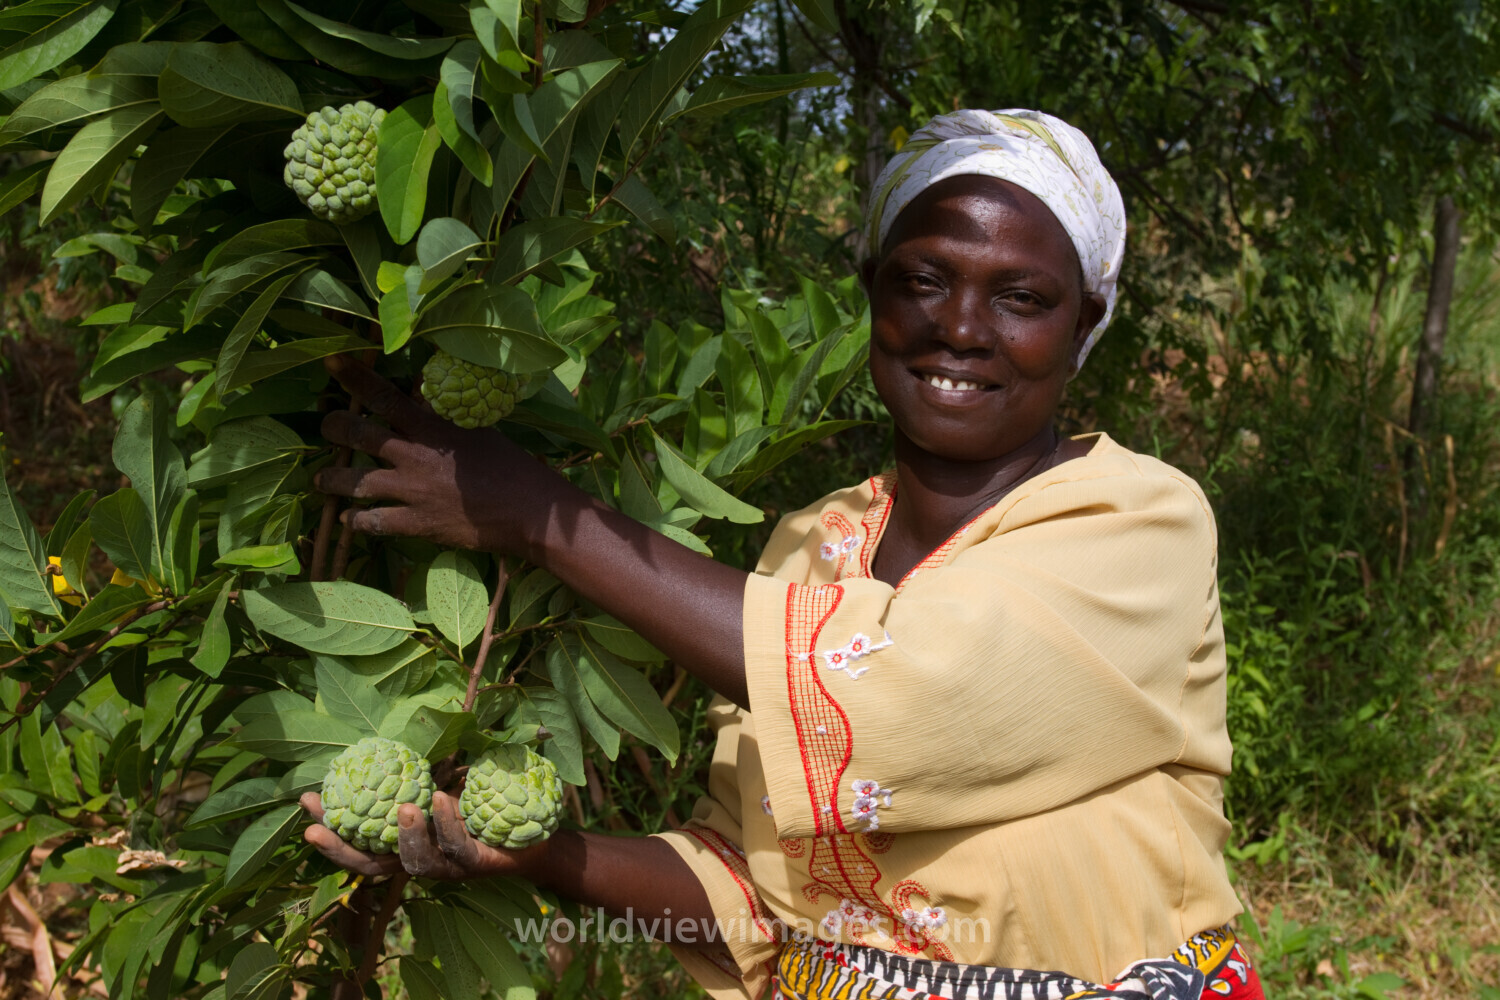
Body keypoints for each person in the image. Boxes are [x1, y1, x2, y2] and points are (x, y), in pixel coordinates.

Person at [302, 109, 1266, 1000]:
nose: (962, 329)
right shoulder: (816, 542)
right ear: (872, 294)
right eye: (923, 279)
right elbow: (759, 898)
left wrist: (541, 516)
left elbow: (909, 689)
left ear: (1084, 324)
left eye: (1021, 296)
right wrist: (548, 853)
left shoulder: (1137, 520)